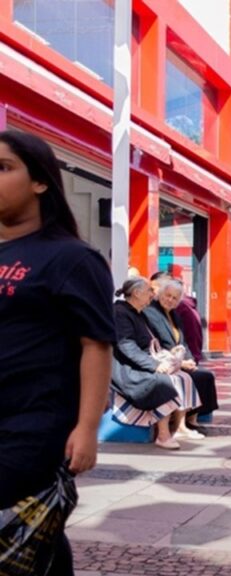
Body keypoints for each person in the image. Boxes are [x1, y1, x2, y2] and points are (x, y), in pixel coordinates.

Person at [0, 130, 115, 575]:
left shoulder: (71, 258)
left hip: (32, 425)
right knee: (35, 531)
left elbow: (96, 344)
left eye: (4, 167)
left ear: (40, 182)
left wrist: (88, 427)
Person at [111, 277, 202, 450]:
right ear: (137, 293)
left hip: (141, 363)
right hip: (127, 369)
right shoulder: (121, 313)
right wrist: (154, 365)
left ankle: (180, 427)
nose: (153, 295)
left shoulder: (136, 313)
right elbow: (126, 345)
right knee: (165, 381)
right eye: (149, 291)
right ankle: (163, 434)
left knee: (183, 377)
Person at [144, 276, 219, 436]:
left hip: (178, 359)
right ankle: (180, 425)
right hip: (165, 361)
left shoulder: (174, 315)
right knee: (190, 378)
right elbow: (163, 342)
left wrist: (189, 359)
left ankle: (192, 420)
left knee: (205, 377)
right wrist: (181, 363)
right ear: (160, 294)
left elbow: (182, 341)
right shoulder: (152, 312)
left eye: (174, 298)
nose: (170, 300)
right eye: (167, 296)